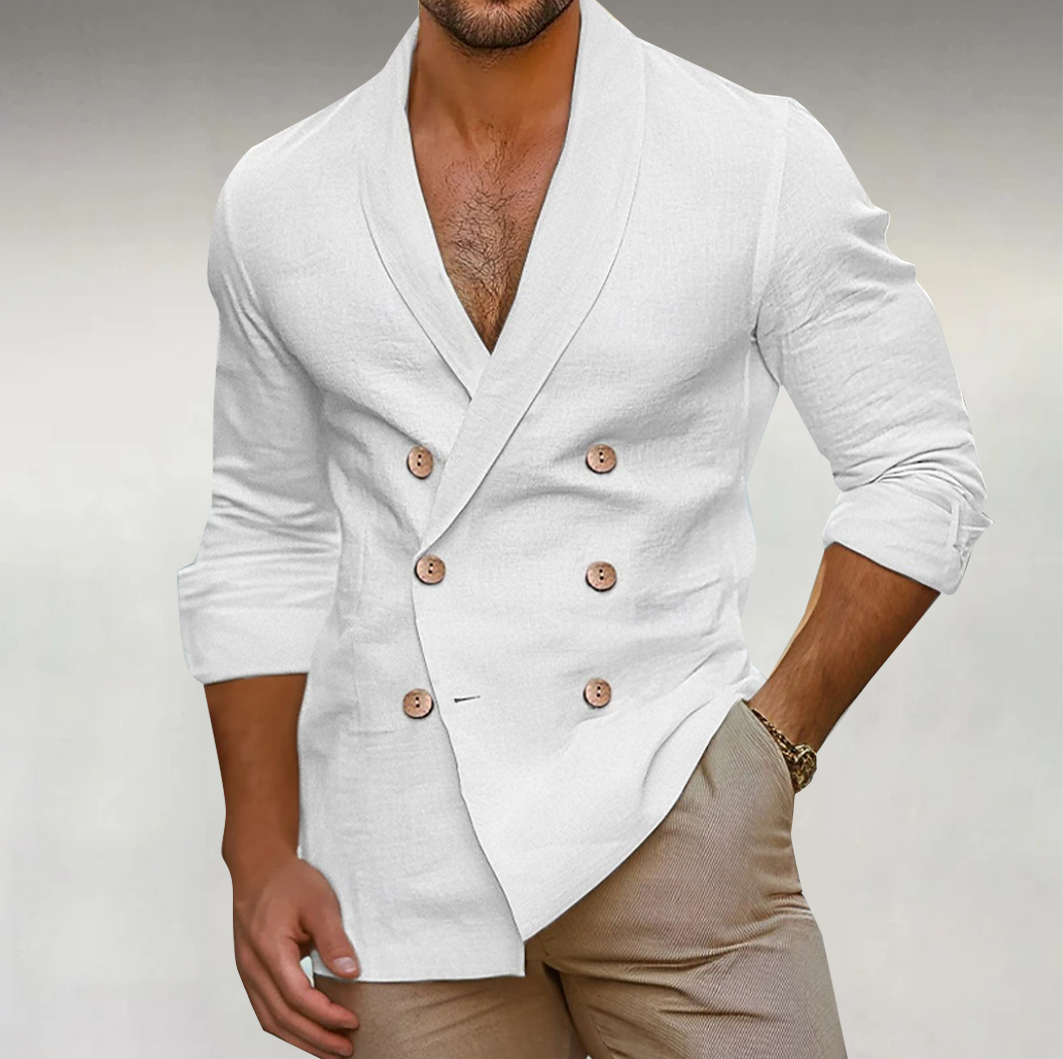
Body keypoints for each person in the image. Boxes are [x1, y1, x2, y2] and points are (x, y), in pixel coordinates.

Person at [176, 1, 992, 1056]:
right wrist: (255, 849)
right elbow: (263, 530)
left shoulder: (755, 158)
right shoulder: (280, 196)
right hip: (398, 867)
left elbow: (918, 464)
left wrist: (771, 749)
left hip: (667, 820)